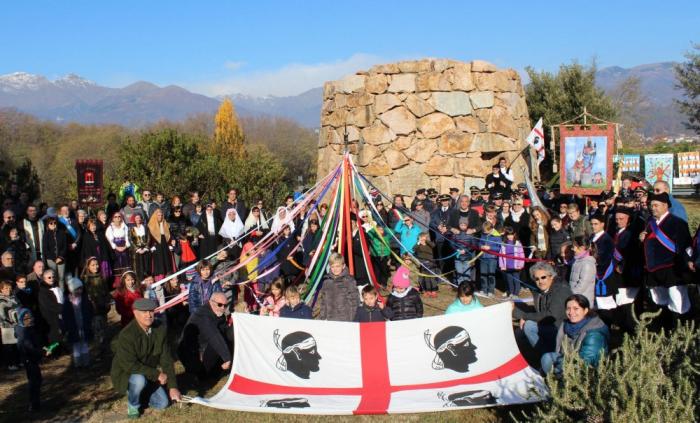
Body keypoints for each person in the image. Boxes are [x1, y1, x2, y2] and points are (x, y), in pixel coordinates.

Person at [110, 298, 181, 419]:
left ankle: (140, 393)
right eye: (144, 312)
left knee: (162, 404)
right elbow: (129, 365)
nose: (148, 315)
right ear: (135, 313)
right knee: (139, 380)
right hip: (127, 374)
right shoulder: (127, 335)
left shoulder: (160, 329)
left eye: (151, 311)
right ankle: (133, 405)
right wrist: (156, 374)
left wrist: (173, 386)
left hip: (148, 374)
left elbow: (166, 359)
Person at [641, 192, 693, 319]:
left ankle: (681, 330)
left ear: (665, 206)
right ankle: (664, 327)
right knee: (659, 300)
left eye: (656, 205)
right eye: (651, 205)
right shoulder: (650, 223)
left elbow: (684, 246)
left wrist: (682, 267)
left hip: (672, 269)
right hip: (653, 269)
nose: (652, 208)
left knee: (678, 302)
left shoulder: (677, 222)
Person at [540, 294, 609, 375]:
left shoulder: (594, 333)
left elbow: (586, 362)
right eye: (568, 309)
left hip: (586, 371)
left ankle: (557, 380)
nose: (571, 312)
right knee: (546, 358)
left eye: (576, 309)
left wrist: (559, 365)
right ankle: (553, 377)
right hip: (567, 359)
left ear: (585, 310)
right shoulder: (567, 325)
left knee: (549, 360)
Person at [513, 262, 573, 354]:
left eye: (543, 277)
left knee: (528, 326)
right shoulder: (539, 290)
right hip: (546, 323)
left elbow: (552, 315)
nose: (540, 281)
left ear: (551, 276)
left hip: (560, 327)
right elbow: (538, 311)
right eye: (536, 279)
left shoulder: (561, 289)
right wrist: (513, 310)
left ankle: (548, 356)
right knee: (518, 333)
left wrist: (526, 317)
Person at [178, 292, 233, 379]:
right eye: (220, 305)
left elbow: (224, 330)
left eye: (225, 305)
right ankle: (203, 374)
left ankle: (224, 366)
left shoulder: (219, 313)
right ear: (211, 302)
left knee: (230, 334)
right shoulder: (202, 315)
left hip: (204, 346)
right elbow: (213, 336)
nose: (223, 308)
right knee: (206, 378)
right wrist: (227, 357)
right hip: (191, 353)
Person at [15, 308, 44, 412]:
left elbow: (34, 344)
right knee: (34, 381)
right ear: (21, 319)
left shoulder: (29, 329)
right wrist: (42, 352)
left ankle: (36, 402)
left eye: (30, 317)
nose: (29, 320)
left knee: (38, 380)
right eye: (26, 318)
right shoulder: (23, 332)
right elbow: (29, 347)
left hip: (33, 359)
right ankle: (34, 404)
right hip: (29, 360)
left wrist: (41, 350)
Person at [318, 253, 358, 322]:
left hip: (344, 320)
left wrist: (352, 320)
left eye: (337, 266)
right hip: (329, 319)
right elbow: (323, 302)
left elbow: (354, 303)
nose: (335, 269)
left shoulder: (349, 281)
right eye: (332, 266)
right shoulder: (326, 281)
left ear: (343, 266)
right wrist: (322, 318)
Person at [62, 278, 93, 368]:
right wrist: (67, 327)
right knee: (76, 346)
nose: (79, 291)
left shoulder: (85, 300)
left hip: (84, 325)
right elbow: (65, 316)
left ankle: (86, 362)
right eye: (77, 289)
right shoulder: (68, 302)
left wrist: (89, 321)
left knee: (84, 344)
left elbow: (89, 311)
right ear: (71, 290)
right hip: (73, 327)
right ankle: (78, 363)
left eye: (81, 289)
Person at [81, 257, 110, 351]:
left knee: (104, 325)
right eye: (93, 265)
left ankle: (105, 345)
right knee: (97, 327)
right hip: (94, 307)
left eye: (97, 264)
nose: (96, 267)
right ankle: (99, 347)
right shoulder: (86, 279)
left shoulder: (101, 276)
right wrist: (92, 304)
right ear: (88, 267)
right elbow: (87, 294)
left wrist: (107, 301)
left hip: (103, 305)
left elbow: (106, 291)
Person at [37, 269, 63, 355]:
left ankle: (59, 349)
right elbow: (50, 305)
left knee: (59, 334)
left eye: (53, 277)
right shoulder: (43, 291)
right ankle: (52, 351)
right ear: (44, 279)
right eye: (49, 277)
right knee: (53, 336)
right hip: (49, 317)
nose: (51, 278)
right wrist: (62, 308)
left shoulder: (56, 287)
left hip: (57, 315)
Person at [147, 209, 177, 280]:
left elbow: (170, 235)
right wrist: (151, 246)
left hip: (165, 245)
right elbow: (149, 238)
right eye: (158, 215)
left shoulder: (165, 224)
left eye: (161, 215)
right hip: (157, 246)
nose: (160, 217)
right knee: (159, 263)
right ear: (155, 216)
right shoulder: (151, 225)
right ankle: (160, 279)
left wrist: (171, 242)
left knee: (167, 262)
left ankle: (169, 278)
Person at [569, 237, 597, 307]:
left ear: (581, 248)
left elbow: (581, 286)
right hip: (576, 300)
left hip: (582, 302)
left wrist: (568, 294)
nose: (572, 249)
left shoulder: (587, 264)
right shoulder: (578, 260)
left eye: (574, 247)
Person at [42, 216, 68, 291]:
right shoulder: (46, 235)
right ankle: (54, 293)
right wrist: (54, 258)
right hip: (51, 259)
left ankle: (62, 294)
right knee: (53, 278)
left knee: (61, 278)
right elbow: (45, 249)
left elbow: (65, 246)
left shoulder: (62, 233)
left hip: (61, 259)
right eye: (51, 223)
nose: (53, 224)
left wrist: (60, 257)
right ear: (48, 225)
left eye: (55, 223)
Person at [499, 226, 525, 298]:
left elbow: (521, 255)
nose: (510, 236)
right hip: (507, 265)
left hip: (516, 265)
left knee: (516, 279)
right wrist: (502, 265)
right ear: (506, 235)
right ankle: (511, 292)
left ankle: (516, 293)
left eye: (511, 234)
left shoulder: (518, 243)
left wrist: (520, 264)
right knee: (509, 280)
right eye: (508, 235)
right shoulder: (504, 244)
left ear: (514, 234)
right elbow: (501, 256)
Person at [106, 213, 131, 286]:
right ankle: (119, 284)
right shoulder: (110, 227)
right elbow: (110, 239)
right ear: (113, 218)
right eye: (115, 217)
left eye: (119, 216)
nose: (117, 218)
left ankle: (127, 282)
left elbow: (127, 237)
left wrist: (125, 246)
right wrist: (116, 247)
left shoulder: (124, 226)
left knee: (125, 265)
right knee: (117, 266)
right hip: (115, 249)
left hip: (124, 248)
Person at [0, 280, 19, 370]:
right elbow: (2, 315)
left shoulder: (14, 297)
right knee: (9, 346)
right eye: (6, 288)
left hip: (16, 325)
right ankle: (10, 364)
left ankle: (17, 362)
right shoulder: (1, 300)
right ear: (1, 290)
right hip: (6, 326)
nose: (8, 290)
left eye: (10, 288)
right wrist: (10, 322)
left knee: (16, 345)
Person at [479, 221, 500, 297]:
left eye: (486, 231)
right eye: (484, 231)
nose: (485, 233)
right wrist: (480, 246)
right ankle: (484, 289)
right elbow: (480, 242)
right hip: (483, 257)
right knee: (483, 274)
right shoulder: (483, 234)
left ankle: (491, 291)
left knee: (491, 274)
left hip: (492, 258)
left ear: (491, 229)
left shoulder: (496, 236)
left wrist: (490, 248)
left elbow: (499, 248)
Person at [414, 231, 438, 297]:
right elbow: (414, 249)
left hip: (431, 263)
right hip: (423, 264)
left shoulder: (429, 244)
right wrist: (418, 242)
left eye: (424, 237)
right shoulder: (418, 245)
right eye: (421, 237)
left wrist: (426, 241)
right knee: (426, 278)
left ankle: (433, 290)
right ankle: (428, 290)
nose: (423, 238)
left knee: (432, 278)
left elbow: (433, 245)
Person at [129, 213, 151, 281]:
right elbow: (130, 239)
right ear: (134, 219)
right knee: (138, 267)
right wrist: (137, 249)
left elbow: (149, 238)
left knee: (146, 266)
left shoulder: (145, 227)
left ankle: (147, 280)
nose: (138, 219)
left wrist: (145, 248)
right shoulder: (131, 229)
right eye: (136, 218)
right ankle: (139, 281)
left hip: (145, 249)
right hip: (137, 251)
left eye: (139, 218)